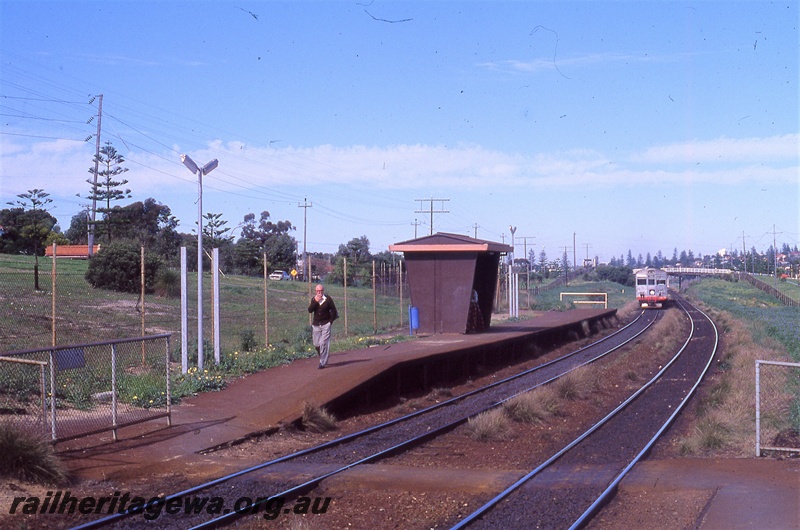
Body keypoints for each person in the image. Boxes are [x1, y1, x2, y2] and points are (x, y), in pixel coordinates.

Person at [308, 284, 338, 369]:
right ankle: (321, 354)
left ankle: (322, 362)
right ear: (315, 291)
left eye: (320, 291)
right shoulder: (314, 299)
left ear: (323, 291)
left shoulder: (328, 299)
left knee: (323, 343)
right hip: (316, 325)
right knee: (317, 344)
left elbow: (333, 310)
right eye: (317, 291)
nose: (319, 293)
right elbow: (310, 310)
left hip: (326, 324)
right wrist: (315, 302)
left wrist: (330, 322)